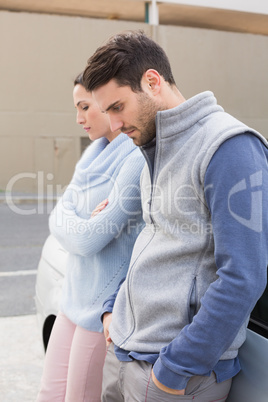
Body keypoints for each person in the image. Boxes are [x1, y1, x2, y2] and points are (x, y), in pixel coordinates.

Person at [82, 30, 268, 401]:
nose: (113, 126)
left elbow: (244, 276)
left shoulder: (230, 147)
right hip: (124, 351)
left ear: (152, 82)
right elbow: (155, 238)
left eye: (117, 107)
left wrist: (175, 368)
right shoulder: (154, 144)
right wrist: (113, 307)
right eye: (106, 113)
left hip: (169, 373)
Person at [36, 72, 144, 401]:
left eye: (85, 107)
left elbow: (88, 240)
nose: (79, 118)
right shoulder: (93, 153)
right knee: (49, 393)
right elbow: (58, 214)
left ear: (108, 104)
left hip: (103, 308)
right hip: (73, 296)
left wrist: (76, 221)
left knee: (79, 397)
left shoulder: (135, 157)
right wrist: (79, 220)